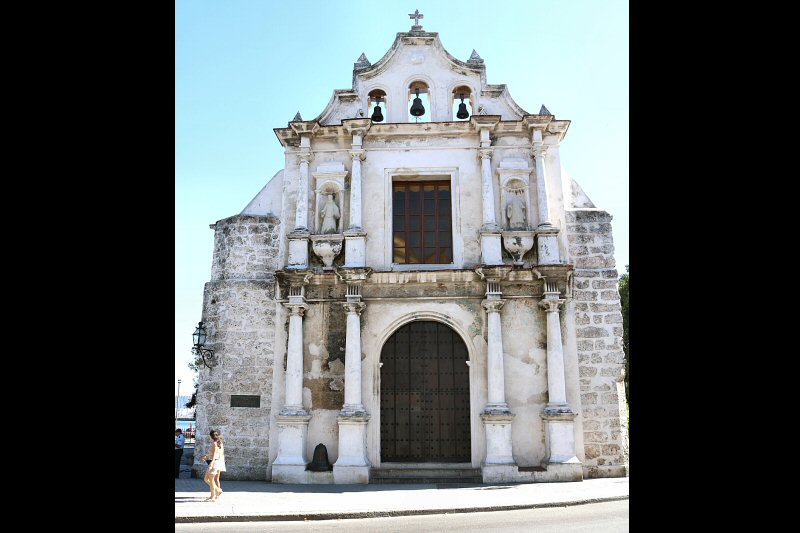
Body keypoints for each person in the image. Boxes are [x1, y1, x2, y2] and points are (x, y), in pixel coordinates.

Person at [200, 429, 226, 501]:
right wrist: (206, 457)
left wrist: (212, 463)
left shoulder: (214, 443)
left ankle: (213, 495)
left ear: (211, 436)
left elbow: (215, 455)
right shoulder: (217, 443)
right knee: (207, 479)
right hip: (215, 462)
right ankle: (217, 491)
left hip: (214, 463)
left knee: (211, 480)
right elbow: (213, 454)